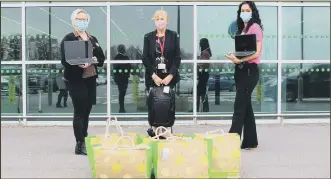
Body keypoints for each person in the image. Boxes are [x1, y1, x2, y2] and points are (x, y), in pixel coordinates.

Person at [60, 9, 105, 155]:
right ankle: (79, 143)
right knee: (79, 111)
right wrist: (78, 63)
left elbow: (101, 59)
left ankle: (84, 138)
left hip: (90, 79)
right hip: (76, 80)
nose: (82, 21)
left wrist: (93, 60)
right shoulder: (68, 38)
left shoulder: (93, 39)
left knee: (87, 110)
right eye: (79, 19)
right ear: (73, 21)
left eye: (85, 19)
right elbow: (65, 60)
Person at [225, 1, 263, 150]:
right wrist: (235, 57)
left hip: (249, 71)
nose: (244, 13)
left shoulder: (255, 27)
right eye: (242, 10)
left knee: (239, 106)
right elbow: (245, 50)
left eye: (247, 10)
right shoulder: (244, 28)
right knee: (246, 106)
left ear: (252, 12)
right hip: (241, 69)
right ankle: (251, 142)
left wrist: (239, 59)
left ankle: (230, 142)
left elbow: (256, 52)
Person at [142, 9, 181, 135]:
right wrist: (154, 76)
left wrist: (170, 75)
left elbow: (177, 58)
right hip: (154, 78)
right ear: (154, 21)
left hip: (168, 77)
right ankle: (154, 129)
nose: (160, 21)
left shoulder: (173, 36)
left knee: (167, 104)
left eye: (162, 18)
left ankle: (167, 129)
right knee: (154, 104)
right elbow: (145, 58)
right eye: (157, 19)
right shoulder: (148, 37)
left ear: (167, 21)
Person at [113, 44, 131, 113]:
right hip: (123, 78)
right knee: (122, 93)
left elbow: (116, 68)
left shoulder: (116, 57)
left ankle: (121, 108)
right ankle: (121, 108)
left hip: (119, 78)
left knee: (121, 93)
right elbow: (129, 67)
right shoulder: (125, 57)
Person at [197, 38, 211, 112]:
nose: (199, 44)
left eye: (200, 43)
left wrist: (198, 63)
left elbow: (206, 64)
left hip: (203, 74)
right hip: (204, 74)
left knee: (199, 92)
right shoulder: (205, 52)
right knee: (202, 92)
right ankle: (204, 108)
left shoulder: (205, 52)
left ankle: (198, 108)